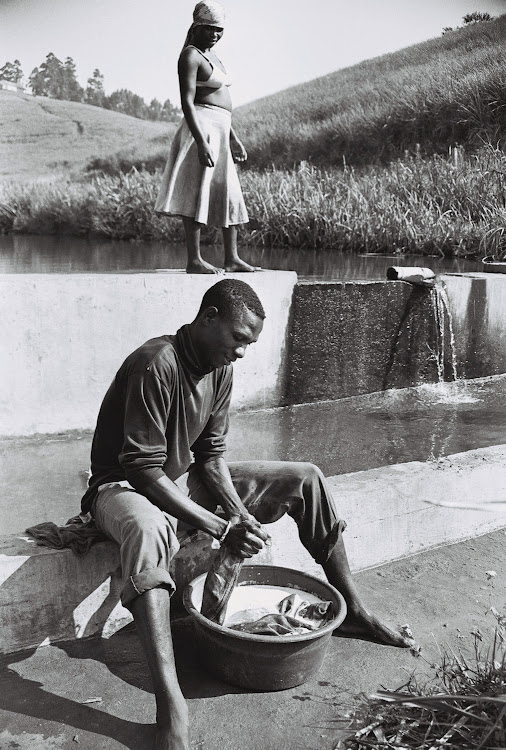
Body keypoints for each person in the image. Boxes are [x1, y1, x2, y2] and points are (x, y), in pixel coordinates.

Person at [81, 278, 414, 750]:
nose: (242, 352)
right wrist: (217, 524)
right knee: (151, 527)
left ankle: (355, 609)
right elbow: (140, 469)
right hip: (121, 487)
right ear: (209, 317)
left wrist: (239, 516)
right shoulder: (156, 362)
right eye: (239, 338)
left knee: (306, 477)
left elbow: (211, 457)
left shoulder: (219, 369)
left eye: (249, 344)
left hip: (178, 480)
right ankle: (169, 703)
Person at [155, 1, 258, 275]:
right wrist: (201, 142)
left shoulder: (214, 57)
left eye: (219, 29)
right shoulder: (190, 55)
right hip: (201, 127)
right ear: (197, 27)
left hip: (221, 129)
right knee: (196, 191)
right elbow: (187, 102)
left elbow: (222, 106)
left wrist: (233, 137)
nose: (215, 34)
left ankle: (232, 258)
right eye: (210, 28)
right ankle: (194, 260)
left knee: (230, 193)